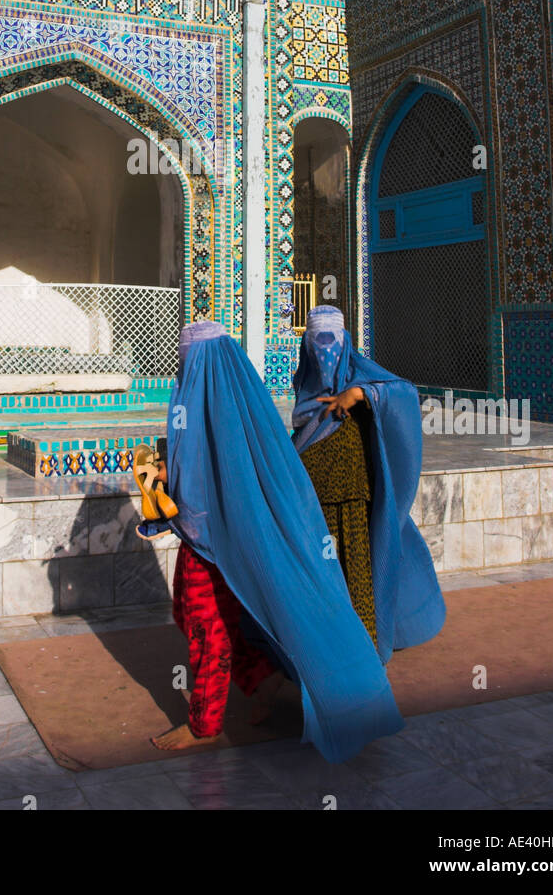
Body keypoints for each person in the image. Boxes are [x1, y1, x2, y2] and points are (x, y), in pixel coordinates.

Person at [143, 318, 405, 762]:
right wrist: (167, 477)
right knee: (210, 616)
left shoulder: (211, 400)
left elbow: (215, 477)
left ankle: (204, 724)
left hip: (212, 543)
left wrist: (174, 500)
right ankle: (262, 677)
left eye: (189, 355)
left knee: (206, 626)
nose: (186, 364)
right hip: (227, 538)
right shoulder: (226, 400)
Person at [292, 306, 446, 664]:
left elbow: (404, 393)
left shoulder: (359, 380)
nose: (325, 355)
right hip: (314, 504)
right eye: (318, 346)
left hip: (355, 504)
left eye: (332, 345)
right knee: (321, 580)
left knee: (356, 574)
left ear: (345, 345)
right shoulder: (305, 395)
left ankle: (363, 655)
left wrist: (359, 394)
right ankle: (324, 654)